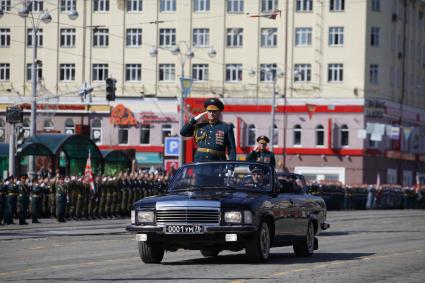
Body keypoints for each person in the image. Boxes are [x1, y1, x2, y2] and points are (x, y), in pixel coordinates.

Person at [180, 98, 236, 162]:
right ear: (206, 112)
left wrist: (231, 167)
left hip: (217, 164)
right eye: (209, 111)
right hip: (200, 164)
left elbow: (231, 149)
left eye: (214, 111)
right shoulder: (200, 126)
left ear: (219, 112)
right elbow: (183, 132)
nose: (211, 113)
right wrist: (194, 119)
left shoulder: (226, 127)